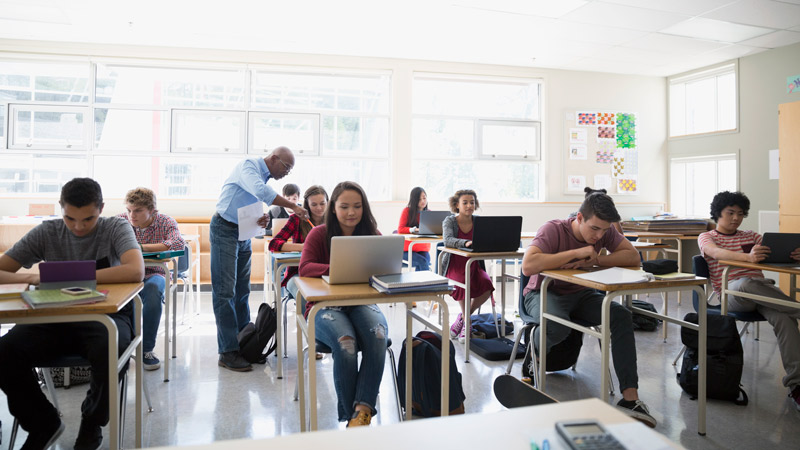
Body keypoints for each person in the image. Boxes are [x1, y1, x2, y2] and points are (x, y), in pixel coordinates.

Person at [0, 177, 144, 450]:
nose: (78, 227)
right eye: (70, 219)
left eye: (88, 219)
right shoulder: (47, 231)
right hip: (53, 317)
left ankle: (92, 423)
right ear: (61, 208)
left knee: (110, 347)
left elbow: (135, 270)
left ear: (101, 208)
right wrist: (33, 278)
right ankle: (43, 423)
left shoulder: (116, 226)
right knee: (5, 351)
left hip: (106, 318)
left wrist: (70, 277)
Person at [520, 192, 657, 427]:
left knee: (621, 316)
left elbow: (633, 257)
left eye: (604, 231)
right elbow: (528, 266)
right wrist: (575, 253)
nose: (599, 236)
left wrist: (594, 261)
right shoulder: (552, 229)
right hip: (543, 293)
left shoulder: (604, 230)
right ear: (580, 217)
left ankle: (630, 399)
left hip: (581, 294)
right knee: (557, 325)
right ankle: (535, 352)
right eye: (594, 229)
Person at [698, 191, 800, 411]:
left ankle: (796, 385)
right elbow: (714, 253)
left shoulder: (752, 236)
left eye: (741, 214)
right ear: (718, 213)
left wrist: (792, 256)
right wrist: (748, 258)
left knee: (785, 318)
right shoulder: (708, 237)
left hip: (762, 293)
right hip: (732, 294)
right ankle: (797, 308)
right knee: (745, 283)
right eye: (731, 212)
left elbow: (773, 256)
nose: (736, 218)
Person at [297, 181, 388, 428]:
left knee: (378, 337)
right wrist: (339, 268)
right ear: (333, 208)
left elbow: (386, 268)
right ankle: (353, 419)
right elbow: (305, 268)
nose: (351, 212)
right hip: (325, 306)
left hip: (362, 304)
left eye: (357, 206)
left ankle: (361, 412)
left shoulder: (373, 235)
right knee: (345, 343)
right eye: (345, 206)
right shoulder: (319, 234)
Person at [211, 146, 309, 372]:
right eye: (286, 167)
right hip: (224, 229)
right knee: (225, 292)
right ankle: (227, 352)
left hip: (244, 231)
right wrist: (293, 206)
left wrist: (261, 217)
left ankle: (245, 344)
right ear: (273, 158)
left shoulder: (263, 175)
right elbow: (261, 191)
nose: (287, 173)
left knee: (242, 289)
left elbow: (252, 199)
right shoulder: (249, 166)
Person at [117, 187, 185, 371]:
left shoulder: (165, 221)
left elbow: (178, 243)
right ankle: (124, 347)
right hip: (128, 275)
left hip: (156, 272)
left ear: (152, 210)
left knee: (153, 291)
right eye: (130, 210)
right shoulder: (121, 220)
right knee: (122, 299)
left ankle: (146, 350)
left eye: (138, 210)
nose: (132, 215)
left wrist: (139, 248)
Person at [441, 189, 495, 343]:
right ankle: (468, 323)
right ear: (457, 205)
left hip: (474, 265)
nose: (469, 205)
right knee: (463, 283)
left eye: (472, 202)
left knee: (487, 285)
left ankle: (464, 318)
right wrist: (465, 243)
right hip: (454, 264)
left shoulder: (478, 221)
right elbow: (448, 240)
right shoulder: (449, 221)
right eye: (465, 202)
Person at [268, 184, 328, 299]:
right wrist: (303, 247)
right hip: (298, 273)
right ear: (307, 205)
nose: (319, 208)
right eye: (314, 204)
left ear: (327, 202)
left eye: (322, 203)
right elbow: (273, 244)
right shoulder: (296, 219)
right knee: (307, 297)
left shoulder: (333, 220)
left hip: (326, 272)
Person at [397, 186, 431, 272]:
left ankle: (419, 283)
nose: (423, 201)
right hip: (406, 250)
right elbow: (400, 229)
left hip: (423, 249)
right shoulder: (407, 211)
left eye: (424, 198)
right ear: (414, 200)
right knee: (423, 262)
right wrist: (413, 230)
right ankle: (425, 285)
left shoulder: (429, 213)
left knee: (425, 261)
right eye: (419, 199)